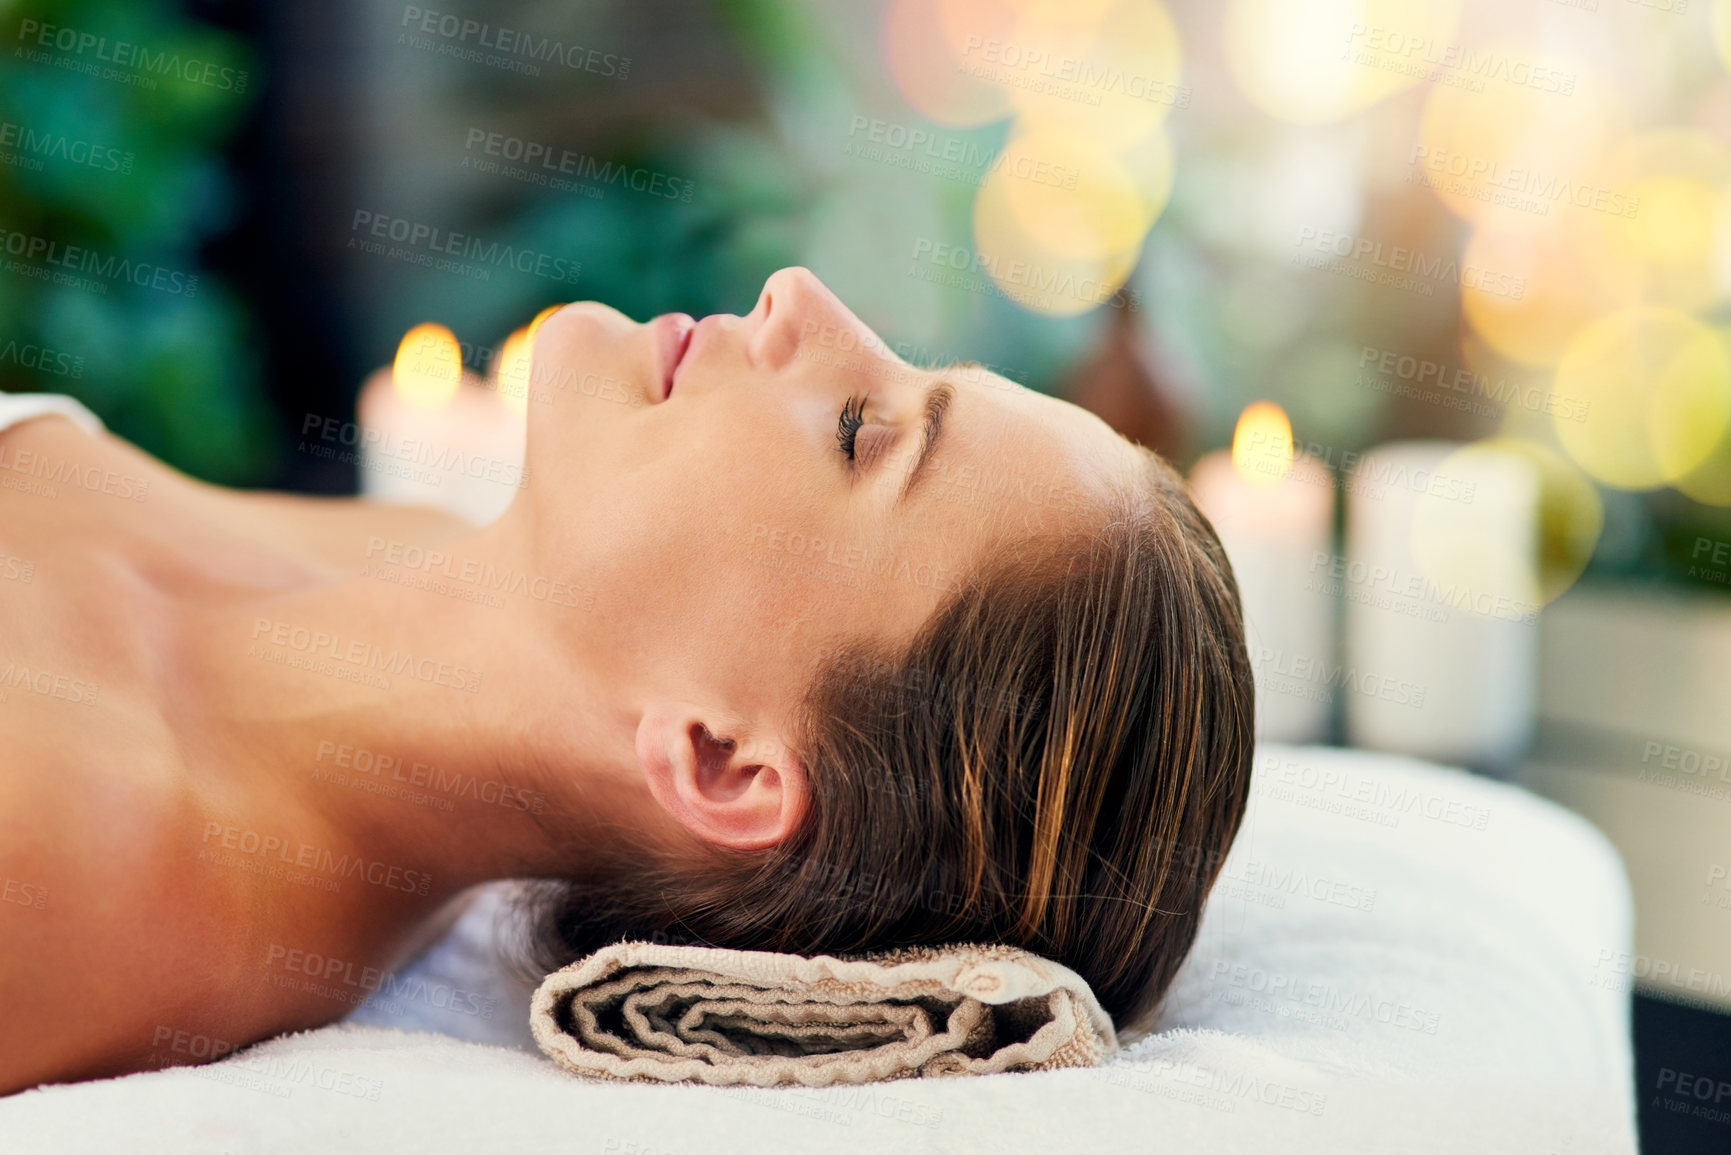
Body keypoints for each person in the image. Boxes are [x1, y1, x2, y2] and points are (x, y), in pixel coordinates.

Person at [0, 267, 1253, 1094]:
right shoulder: (381, 552)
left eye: (859, 431)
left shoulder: (80, 861)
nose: (799, 298)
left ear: (719, 760)